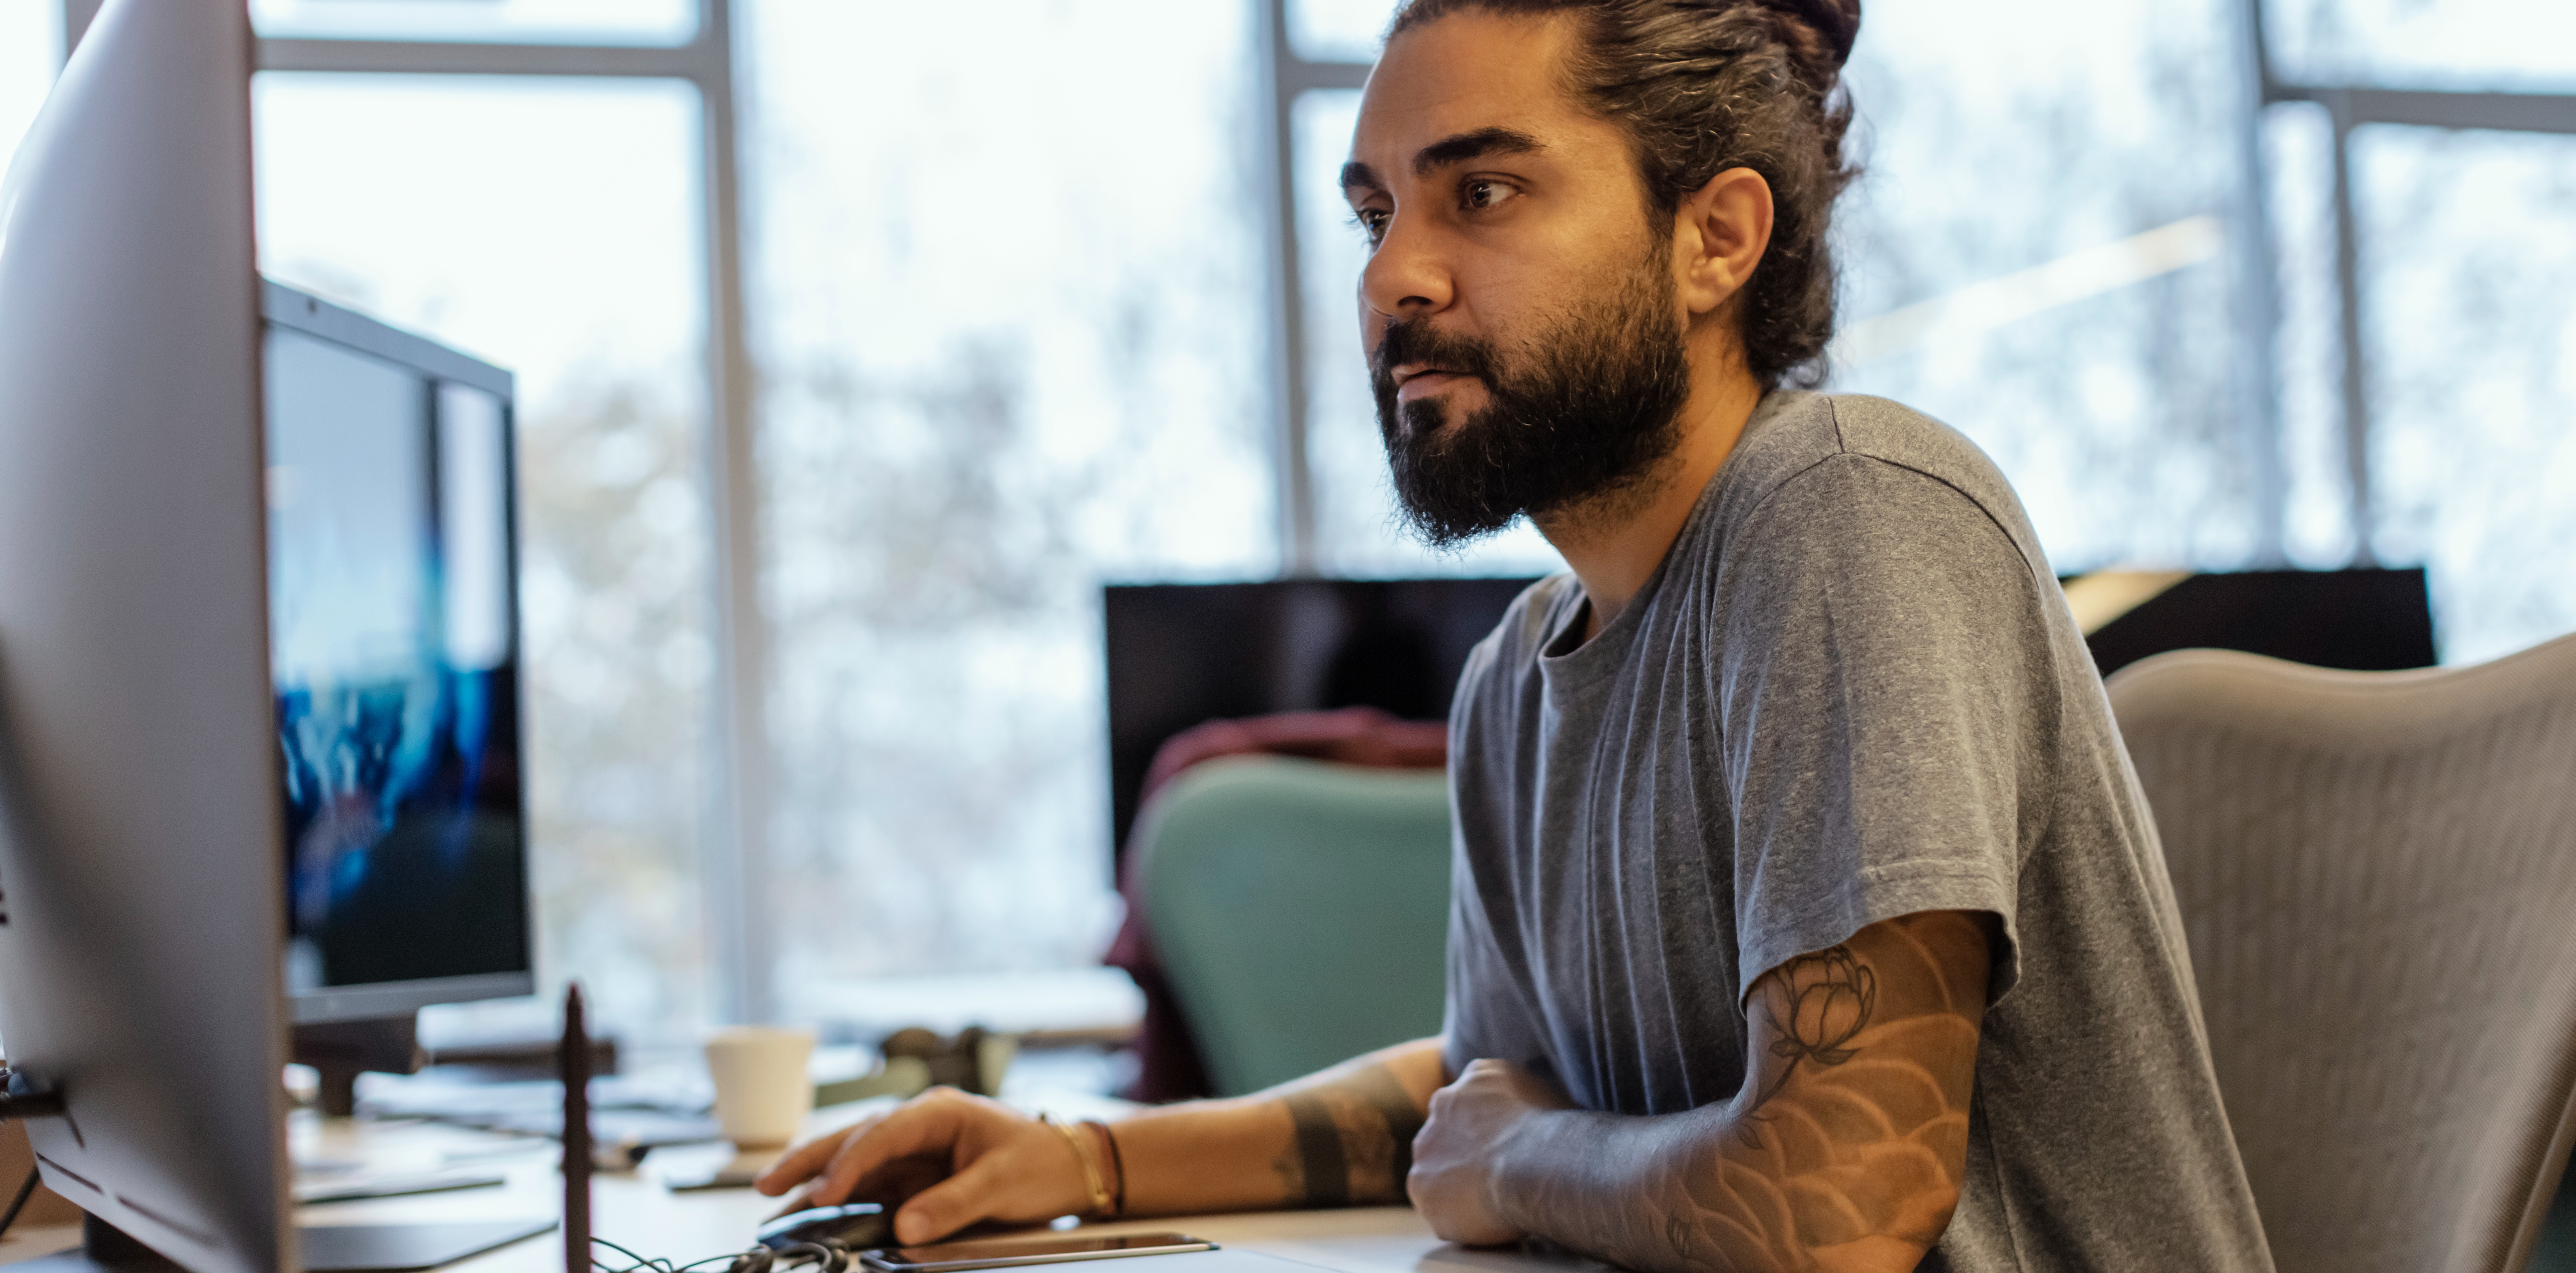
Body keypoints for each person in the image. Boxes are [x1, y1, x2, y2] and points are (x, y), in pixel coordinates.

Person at [757, 2, 2272, 1269]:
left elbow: (1838, 1197)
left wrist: (1523, 1155)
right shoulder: (1518, 676)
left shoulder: (1848, 509)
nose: (1389, 278)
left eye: (1478, 192)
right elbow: (1474, 1104)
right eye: (1372, 210)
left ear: (1714, 240)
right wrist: (1078, 1153)